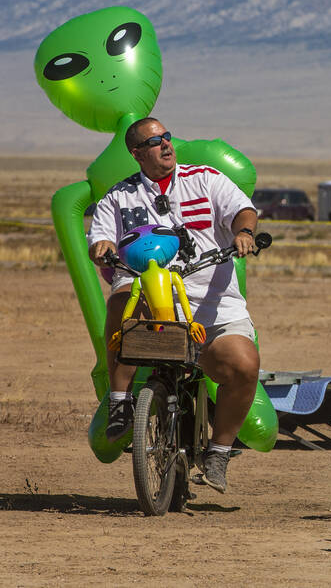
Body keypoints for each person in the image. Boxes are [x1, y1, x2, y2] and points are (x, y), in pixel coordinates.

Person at [87, 117, 261, 494]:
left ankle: (218, 453)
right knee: (121, 297)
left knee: (245, 366)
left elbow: (243, 210)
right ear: (136, 153)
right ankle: (119, 402)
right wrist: (102, 248)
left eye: (167, 137)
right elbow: (100, 238)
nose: (165, 144)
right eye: (154, 141)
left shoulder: (206, 178)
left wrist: (244, 232)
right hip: (149, 298)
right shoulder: (119, 197)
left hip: (212, 305)